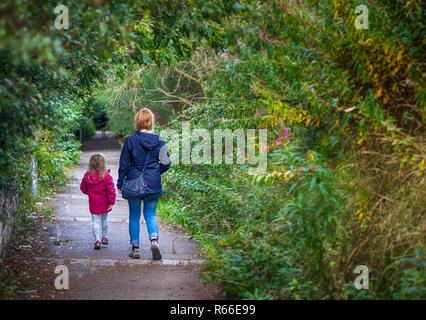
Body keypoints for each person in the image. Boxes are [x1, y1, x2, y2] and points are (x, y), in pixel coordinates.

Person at [117, 108, 171, 260]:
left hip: (134, 182)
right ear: (151, 122)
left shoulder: (130, 141)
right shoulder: (160, 141)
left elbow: (124, 165)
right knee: (150, 214)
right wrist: (155, 172)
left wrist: (120, 183)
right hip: (153, 183)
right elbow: (167, 163)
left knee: (134, 215)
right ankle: (154, 240)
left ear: (138, 121)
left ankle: (135, 249)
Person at [80, 153, 116, 250]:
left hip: (93, 202)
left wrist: (90, 193)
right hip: (105, 203)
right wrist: (111, 202)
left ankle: (97, 240)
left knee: (95, 221)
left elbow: (83, 188)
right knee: (104, 220)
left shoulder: (87, 177)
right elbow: (111, 190)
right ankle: (104, 237)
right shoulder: (107, 177)